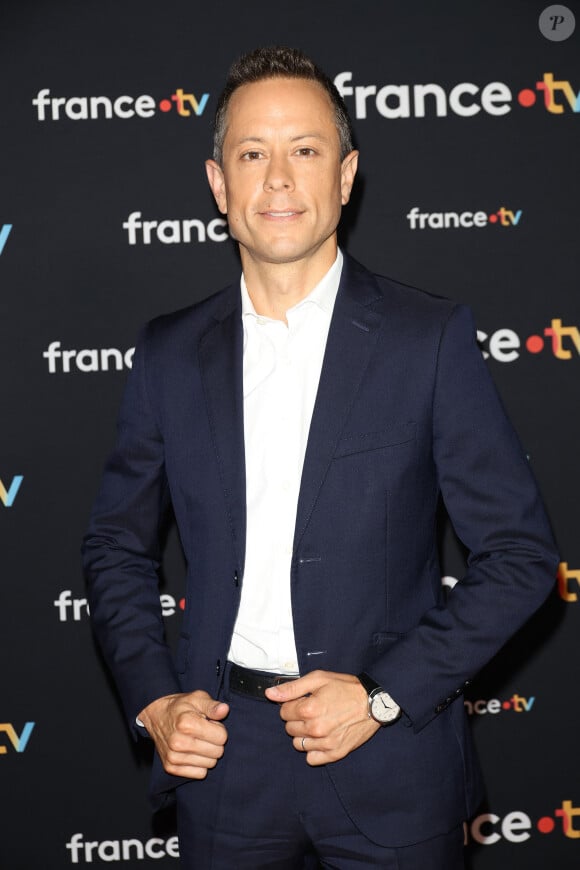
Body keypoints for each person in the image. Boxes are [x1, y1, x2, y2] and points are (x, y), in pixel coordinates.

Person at [83, 46, 558, 869]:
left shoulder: (428, 338)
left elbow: (520, 556)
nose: (277, 179)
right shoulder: (168, 351)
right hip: (224, 766)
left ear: (345, 176)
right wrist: (156, 699)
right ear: (217, 183)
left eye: (304, 150)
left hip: (390, 759)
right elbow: (116, 547)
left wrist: (382, 696)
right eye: (252, 154)